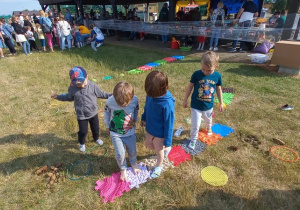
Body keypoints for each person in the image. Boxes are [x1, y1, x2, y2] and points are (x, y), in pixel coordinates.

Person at [51, 66, 112, 152]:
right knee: (83, 131)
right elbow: (68, 97)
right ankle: (82, 143)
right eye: (78, 85)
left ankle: (96, 138)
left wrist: (112, 95)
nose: (82, 86)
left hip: (93, 113)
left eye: (83, 83)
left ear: (87, 77)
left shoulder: (92, 86)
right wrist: (58, 96)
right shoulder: (72, 88)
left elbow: (102, 94)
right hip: (81, 115)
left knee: (95, 128)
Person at [183, 51, 223, 150]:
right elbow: (190, 87)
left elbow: (219, 89)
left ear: (216, 67)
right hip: (196, 105)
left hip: (208, 106)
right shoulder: (196, 74)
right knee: (195, 125)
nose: (205, 72)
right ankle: (193, 140)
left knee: (208, 120)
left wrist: (221, 103)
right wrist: (185, 99)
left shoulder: (217, 76)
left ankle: (209, 128)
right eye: (203, 69)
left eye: (209, 70)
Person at [141, 71, 175, 178]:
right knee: (149, 145)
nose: (151, 96)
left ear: (164, 88)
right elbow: (147, 106)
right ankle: (162, 150)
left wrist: (168, 142)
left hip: (160, 133)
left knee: (158, 150)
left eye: (152, 94)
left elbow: (169, 124)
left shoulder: (167, 104)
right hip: (150, 128)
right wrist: (144, 117)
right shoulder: (151, 94)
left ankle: (159, 165)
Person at [104, 82, 141, 181]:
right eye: (120, 104)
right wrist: (107, 126)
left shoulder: (135, 100)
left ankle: (133, 163)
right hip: (115, 133)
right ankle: (123, 168)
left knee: (132, 150)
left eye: (125, 104)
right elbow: (107, 113)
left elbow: (136, 110)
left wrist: (135, 120)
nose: (123, 106)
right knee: (120, 153)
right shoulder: (110, 101)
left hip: (130, 132)